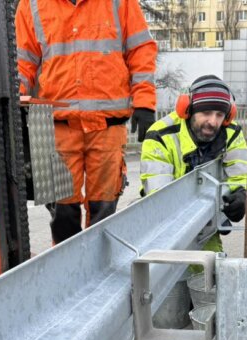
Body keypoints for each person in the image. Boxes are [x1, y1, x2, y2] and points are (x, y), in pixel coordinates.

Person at [15, 0, 157, 244]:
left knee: (104, 209)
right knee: (62, 212)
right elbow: (21, 60)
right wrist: (14, 102)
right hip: (58, 126)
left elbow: (141, 49)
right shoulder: (32, 5)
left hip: (107, 126)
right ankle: (67, 270)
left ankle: (99, 270)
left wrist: (144, 100)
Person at [140, 75, 247, 252]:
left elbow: (243, 175)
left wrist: (243, 196)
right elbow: (158, 196)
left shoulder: (231, 132)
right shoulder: (160, 135)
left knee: (209, 274)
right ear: (188, 109)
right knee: (169, 275)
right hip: (165, 229)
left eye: (219, 115)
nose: (213, 122)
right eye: (206, 113)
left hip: (206, 227)